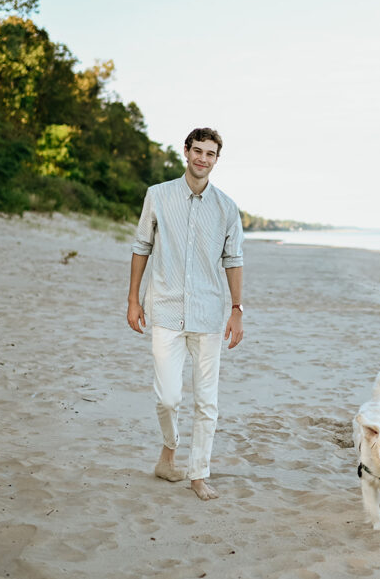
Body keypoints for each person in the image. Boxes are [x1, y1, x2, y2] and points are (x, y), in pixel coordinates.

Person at [127, 127, 245, 501]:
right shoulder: (158, 196)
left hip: (209, 314)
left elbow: (234, 260)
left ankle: (198, 474)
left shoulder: (226, 207)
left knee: (206, 402)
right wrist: (133, 300)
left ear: (216, 160)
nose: (202, 159)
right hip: (164, 309)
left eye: (210, 154)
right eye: (198, 151)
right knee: (168, 398)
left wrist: (237, 309)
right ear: (186, 151)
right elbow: (141, 246)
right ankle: (169, 449)